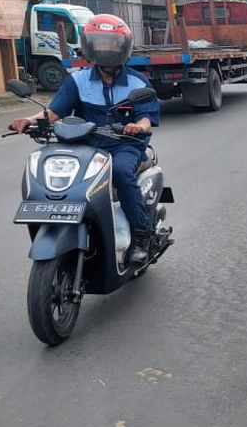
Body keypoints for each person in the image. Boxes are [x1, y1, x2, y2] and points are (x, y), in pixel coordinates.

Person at [11, 14, 160, 266]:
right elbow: (55, 111)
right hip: (86, 145)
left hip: (124, 144)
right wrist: (31, 119)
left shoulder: (137, 81)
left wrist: (137, 126)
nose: (106, 49)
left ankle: (140, 236)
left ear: (123, 47)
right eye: (100, 43)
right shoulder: (77, 80)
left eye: (112, 44)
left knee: (122, 172)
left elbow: (147, 117)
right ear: (90, 45)